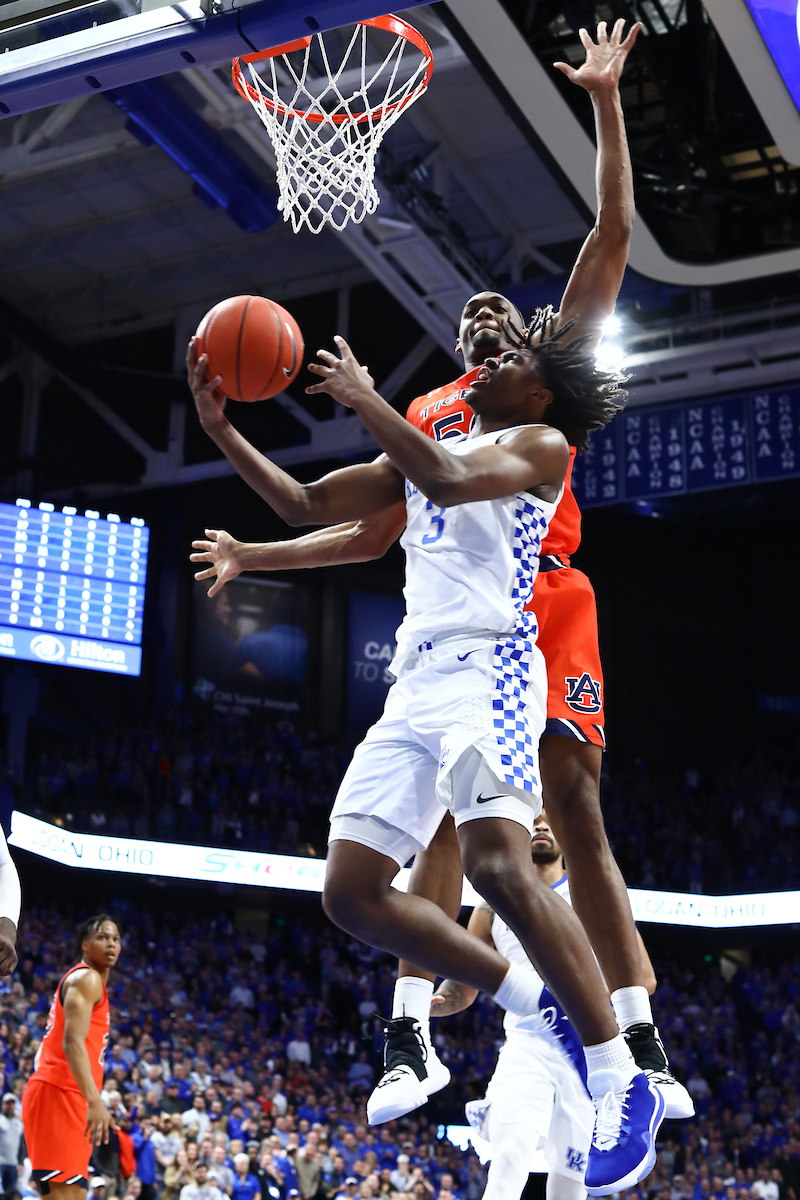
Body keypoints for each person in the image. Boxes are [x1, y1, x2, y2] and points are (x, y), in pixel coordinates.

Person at [187, 17, 691, 1129]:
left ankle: (627, 1043)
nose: (480, 321)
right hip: (426, 646)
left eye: (498, 316)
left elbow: (610, 229)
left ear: (531, 344)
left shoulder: (540, 409)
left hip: (536, 603)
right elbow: (349, 521)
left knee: (564, 819)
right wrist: (237, 482)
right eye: (466, 321)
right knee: (403, 861)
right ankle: (420, 1025)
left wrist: (604, 100)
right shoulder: (427, 412)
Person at [432, 810, 657, 1200]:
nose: (541, 825)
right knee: (509, 1153)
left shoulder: (594, 896)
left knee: (571, 1180)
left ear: (566, 835)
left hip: (588, 1047)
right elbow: (465, 984)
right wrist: (434, 1002)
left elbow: (644, 978)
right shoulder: (490, 906)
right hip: (526, 1044)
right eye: (533, 820)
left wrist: (581, 999)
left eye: (550, 820)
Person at [22, 915, 120, 1200]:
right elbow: (71, 1042)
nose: (111, 944)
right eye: (102, 937)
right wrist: (95, 1099)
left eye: (115, 938)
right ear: (85, 944)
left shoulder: (91, 984)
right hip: (59, 1093)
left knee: (72, 1196)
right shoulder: (86, 978)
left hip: (68, 1094)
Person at [0, 1093, 23, 1196]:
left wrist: (21, 1163)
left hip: (13, 1163)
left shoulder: (19, 1124)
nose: (10, 1106)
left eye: (12, 1104)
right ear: (3, 1105)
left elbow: (21, 1146)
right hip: (0, 1162)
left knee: (11, 1194)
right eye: (7, 1103)